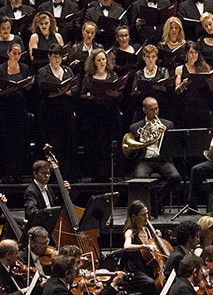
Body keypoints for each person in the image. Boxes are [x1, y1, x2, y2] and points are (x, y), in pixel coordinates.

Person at [128, 97, 181, 210]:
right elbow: (132, 152)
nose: (155, 111)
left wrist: (166, 134)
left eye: (156, 108)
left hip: (162, 159)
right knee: (140, 178)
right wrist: (141, 141)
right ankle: (154, 205)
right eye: (151, 109)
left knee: (175, 177)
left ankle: (153, 201)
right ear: (145, 110)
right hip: (145, 160)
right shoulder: (135, 127)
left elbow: (174, 146)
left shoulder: (168, 124)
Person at [36, 44, 78, 178]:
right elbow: (43, 91)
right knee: (53, 143)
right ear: (49, 57)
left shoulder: (67, 70)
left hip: (65, 111)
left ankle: (68, 174)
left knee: (67, 142)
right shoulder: (43, 71)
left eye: (59, 57)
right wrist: (61, 92)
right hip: (50, 114)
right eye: (54, 57)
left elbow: (75, 89)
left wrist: (66, 92)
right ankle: (52, 175)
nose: (57, 60)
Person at [80, 49, 122, 182]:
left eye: (103, 59)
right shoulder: (88, 77)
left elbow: (120, 95)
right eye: (98, 60)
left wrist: (116, 95)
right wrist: (88, 96)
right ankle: (96, 174)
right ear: (93, 62)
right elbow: (81, 95)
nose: (102, 62)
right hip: (94, 115)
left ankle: (110, 173)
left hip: (110, 115)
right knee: (95, 144)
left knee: (108, 145)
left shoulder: (112, 75)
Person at [0, 41, 31, 181]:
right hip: (5, 109)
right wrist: (7, 90)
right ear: (8, 53)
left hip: (19, 108)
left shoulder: (24, 68)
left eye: (19, 54)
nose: (16, 56)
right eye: (14, 53)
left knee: (19, 140)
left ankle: (18, 172)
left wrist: (29, 84)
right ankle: (6, 173)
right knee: (6, 140)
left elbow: (28, 90)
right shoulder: (1, 69)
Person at [174, 41, 213, 129]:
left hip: (202, 104)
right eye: (191, 52)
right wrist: (183, 85)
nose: (194, 55)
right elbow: (177, 90)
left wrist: (210, 81)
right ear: (186, 54)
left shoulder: (204, 67)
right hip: (187, 105)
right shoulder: (180, 69)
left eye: (196, 52)